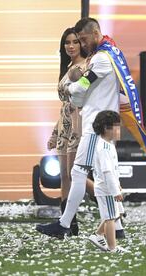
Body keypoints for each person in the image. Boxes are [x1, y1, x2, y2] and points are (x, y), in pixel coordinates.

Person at [36, 17, 146, 239]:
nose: (82, 45)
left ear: (95, 34)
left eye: (83, 40)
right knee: (102, 178)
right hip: (99, 126)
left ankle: (65, 224)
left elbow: (79, 89)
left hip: (96, 127)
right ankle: (116, 229)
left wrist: (71, 87)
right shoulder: (105, 56)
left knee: (80, 174)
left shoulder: (102, 60)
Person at [46, 27, 88, 236]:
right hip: (64, 125)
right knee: (64, 176)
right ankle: (68, 224)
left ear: (81, 44)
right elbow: (64, 105)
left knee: (75, 173)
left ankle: (111, 199)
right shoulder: (68, 67)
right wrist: (55, 132)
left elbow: (82, 98)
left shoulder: (84, 67)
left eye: (74, 42)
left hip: (79, 124)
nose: (71, 46)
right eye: (67, 43)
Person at [88, 110, 128, 253]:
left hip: (108, 188)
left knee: (112, 214)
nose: (119, 130)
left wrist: (117, 185)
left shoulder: (108, 145)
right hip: (106, 189)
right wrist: (115, 191)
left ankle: (97, 235)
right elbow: (107, 172)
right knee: (111, 217)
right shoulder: (104, 147)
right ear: (106, 128)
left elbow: (112, 171)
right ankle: (112, 247)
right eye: (116, 126)